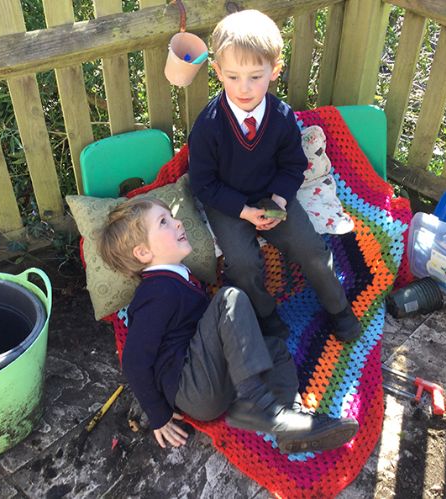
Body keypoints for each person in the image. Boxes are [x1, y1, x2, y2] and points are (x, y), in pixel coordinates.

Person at [98, 197, 359, 453]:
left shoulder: (178, 277)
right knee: (229, 298)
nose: (177, 222)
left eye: (172, 217)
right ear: (143, 252)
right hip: (192, 387)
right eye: (163, 222)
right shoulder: (154, 292)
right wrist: (158, 415)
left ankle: (290, 421)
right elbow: (134, 360)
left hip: (216, 382)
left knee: (274, 350)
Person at [188, 10, 361, 342]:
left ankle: (338, 307)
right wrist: (244, 211)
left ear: (274, 71)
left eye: (255, 76)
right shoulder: (208, 125)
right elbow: (203, 183)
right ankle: (265, 314)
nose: (244, 88)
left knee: (311, 248)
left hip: (272, 195)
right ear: (218, 71)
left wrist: (279, 201)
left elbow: (293, 165)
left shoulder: (281, 116)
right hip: (227, 201)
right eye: (233, 76)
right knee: (242, 263)